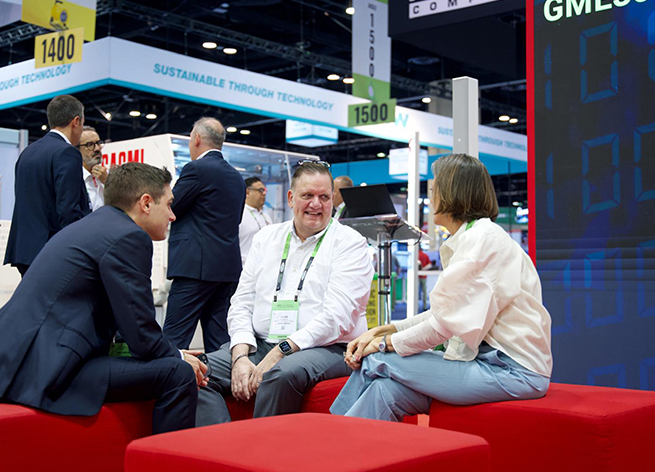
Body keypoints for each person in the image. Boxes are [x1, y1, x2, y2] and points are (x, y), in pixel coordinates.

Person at [330, 153, 552, 422]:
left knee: (377, 360)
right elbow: (446, 314)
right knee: (384, 391)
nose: (431, 198)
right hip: (486, 362)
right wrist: (390, 329)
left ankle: (330, 432)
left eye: (434, 190)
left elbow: (443, 326)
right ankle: (347, 443)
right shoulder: (475, 237)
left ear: (452, 193)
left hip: (511, 371)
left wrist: (383, 344)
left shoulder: (482, 241)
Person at [0, 162, 208, 434]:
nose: (173, 216)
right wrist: (177, 356)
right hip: (50, 371)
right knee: (178, 374)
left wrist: (170, 351)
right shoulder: (129, 236)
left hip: (15, 360)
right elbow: (142, 336)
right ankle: (165, 455)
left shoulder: (95, 225)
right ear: (145, 203)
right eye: (168, 205)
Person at [196, 161, 374, 426]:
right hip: (262, 343)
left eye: (324, 197)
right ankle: (222, 444)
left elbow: (338, 317)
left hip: (327, 347)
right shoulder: (266, 238)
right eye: (307, 195)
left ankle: (261, 449)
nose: (316, 204)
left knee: (280, 373)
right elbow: (242, 301)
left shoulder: (350, 243)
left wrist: (281, 351)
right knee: (195, 371)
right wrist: (240, 355)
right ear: (291, 198)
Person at [164, 117, 246, 352]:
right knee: (219, 342)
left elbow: (171, 207)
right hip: (226, 270)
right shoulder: (236, 177)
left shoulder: (196, 169)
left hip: (194, 268)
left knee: (174, 339)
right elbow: (236, 219)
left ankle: (168, 377)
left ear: (197, 138)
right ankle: (220, 378)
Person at [4, 94, 90, 277]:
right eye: (83, 124)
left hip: (24, 251)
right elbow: (68, 210)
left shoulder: (27, 152)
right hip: (52, 252)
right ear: (76, 121)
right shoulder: (67, 152)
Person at [239, 177, 273, 265]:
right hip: (244, 267)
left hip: (264, 268)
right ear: (247, 192)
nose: (264, 193)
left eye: (265, 190)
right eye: (260, 190)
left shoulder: (266, 217)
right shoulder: (240, 215)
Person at [77, 126, 107, 211]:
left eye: (98, 143)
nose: (97, 148)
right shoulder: (74, 180)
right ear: (77, 150)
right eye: (89, 145)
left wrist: (108, 182)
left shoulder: (109, 177)